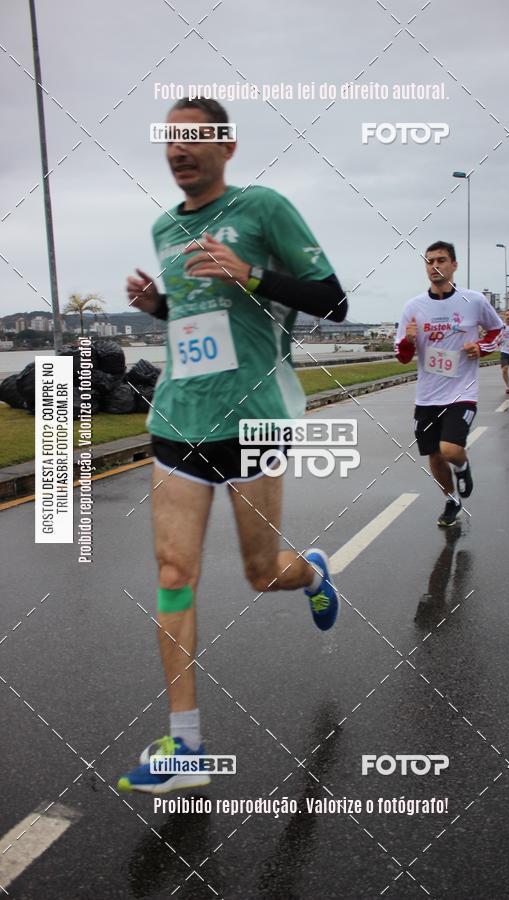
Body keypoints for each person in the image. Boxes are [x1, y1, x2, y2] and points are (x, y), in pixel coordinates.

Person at [118, 97, 348, 794]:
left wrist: (250, 273)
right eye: (171, 139)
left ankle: (308, 573)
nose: (180, 149)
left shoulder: (264, 208)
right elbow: (197, 318)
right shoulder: (164, 227)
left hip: (254, 420)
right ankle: (186, 746)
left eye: (196, 138)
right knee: (171, 573)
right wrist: (159, 309)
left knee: (260, 573)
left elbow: (333, 300)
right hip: (179, 419)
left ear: (228, 147)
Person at [395, 241, 503, 527]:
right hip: (427, 396)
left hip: (462, 392)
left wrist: (481, 347)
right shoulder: (413, 307)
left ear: (454, 265)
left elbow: (497, 331)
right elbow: (402, 357)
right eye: (429, 261)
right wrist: (408, 340)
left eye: (441, 260)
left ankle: (463, 466)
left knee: (450, 450)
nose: (435, 266)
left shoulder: (474, 301)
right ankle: (451, 500)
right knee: (434, 457)